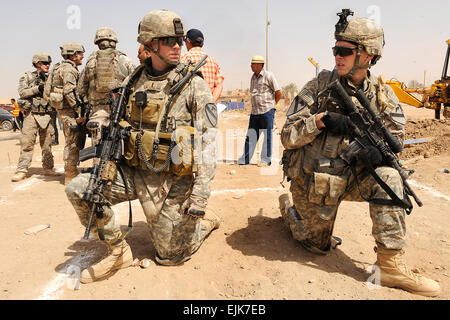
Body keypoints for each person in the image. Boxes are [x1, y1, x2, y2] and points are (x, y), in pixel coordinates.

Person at [279, 10, 440, 297]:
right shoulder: (318, 87)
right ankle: (289, 211)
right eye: (335, 49)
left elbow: (396, 139)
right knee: (315, 246)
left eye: (345, 51)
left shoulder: (382, 94)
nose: (337, 56)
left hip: (353, 177)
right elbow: (286, 137)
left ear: (368, 56)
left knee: (391, 177)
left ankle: (389, 266)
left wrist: (375, 153)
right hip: (316, 182)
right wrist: (319, 120)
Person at [65, 9, 220, 283]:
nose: (177, 46)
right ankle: (117, 252)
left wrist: (200, 196)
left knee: (169, 255)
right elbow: (108, 111)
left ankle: (204, 224)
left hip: (173, 179)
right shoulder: (131, 82)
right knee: (79, 189)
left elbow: (208, 142)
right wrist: (100, 120)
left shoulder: (194, 86)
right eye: (169, 41)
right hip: (134, 170)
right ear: (150, 45)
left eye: (180, 40)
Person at [11, 53, 60, 182]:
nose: (47, 65)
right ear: (37, 63)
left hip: (48, 114)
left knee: (47, 143)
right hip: (31, 114)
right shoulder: (27, 76)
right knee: (27, 143)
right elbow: (22, 92)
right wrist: (37, 88)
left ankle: (48, 168)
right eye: (45, 63)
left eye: (49, 63)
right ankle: (22, 170)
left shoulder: (51, 77)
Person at [44, 42, 85, 185]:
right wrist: (79, 110)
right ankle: (70, 174)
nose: (82, 56)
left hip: (63, 110)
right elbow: (69, 91)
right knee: (72, 142)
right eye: (80, 54)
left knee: (70, 140)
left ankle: (71, 171)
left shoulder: (58, 67)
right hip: (69, 111)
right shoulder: (69, 69)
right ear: (73, 55)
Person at [77, 27, 136, 115]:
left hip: (94, 111)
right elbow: (135, 84)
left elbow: (81, 89)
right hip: (117, 110)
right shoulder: (124, 60)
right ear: (114, 43)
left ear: (98, 44)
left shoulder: (90, 62)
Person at [238, 55, 282, 166]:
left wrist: (272, 106)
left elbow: (278, 92)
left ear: (260, 65)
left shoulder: (269, 76)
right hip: (255, 112)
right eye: (251, 64)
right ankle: (245, 159)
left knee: (267, 137)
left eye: (253, 64)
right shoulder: (252, 78)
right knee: (251, 136)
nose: (251, 66)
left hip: (267, 111)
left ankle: (265, 160)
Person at [181, 28, 224, 102]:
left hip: (187, 108)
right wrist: (211, 103)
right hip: (206, 108)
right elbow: (219, 86)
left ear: (188, 41)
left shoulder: (183, 58)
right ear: (202, 44)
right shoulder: (213, 61)